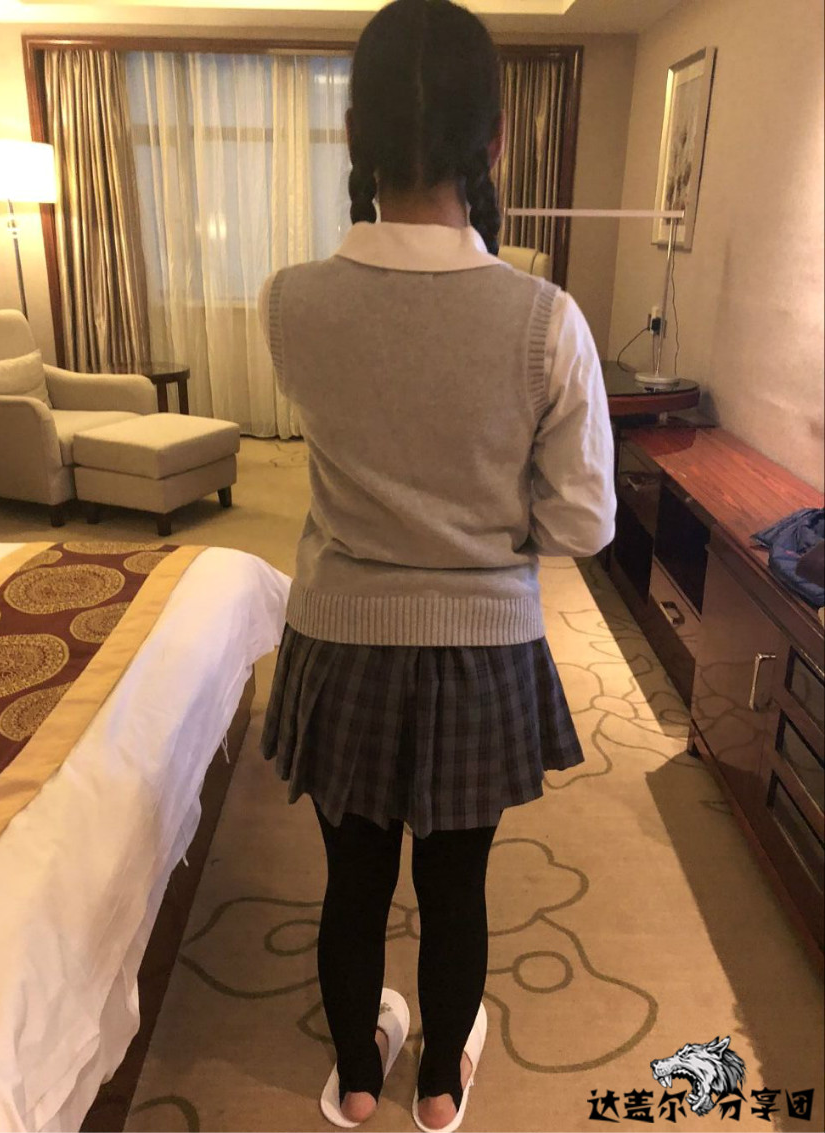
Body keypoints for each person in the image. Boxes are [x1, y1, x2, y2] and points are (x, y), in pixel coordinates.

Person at [258, 0, 616, 1129]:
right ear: (494, 140)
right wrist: (488, 522)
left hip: (341, 647)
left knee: (352, 881)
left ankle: (356, 1077)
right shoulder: (544, 319)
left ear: (354, 133)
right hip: (482, 656)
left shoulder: (289, 300)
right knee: (456, 886)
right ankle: (442, 1086)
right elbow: (587, 521)